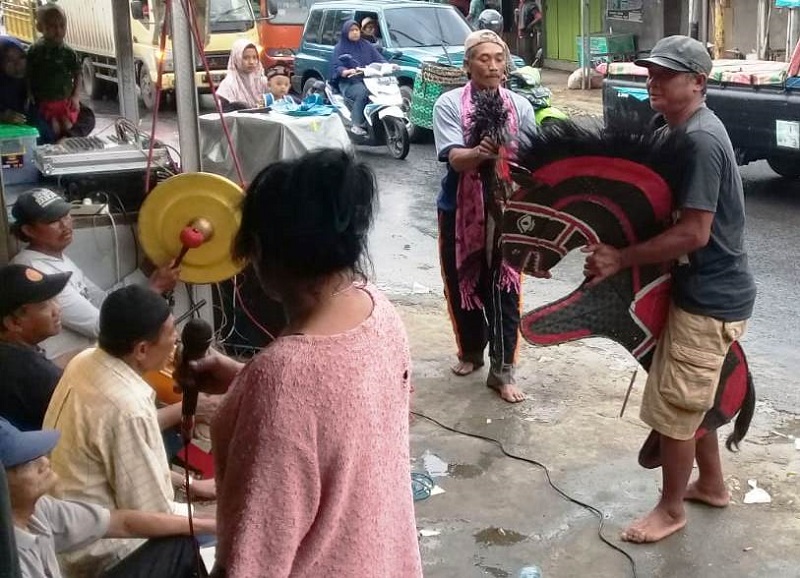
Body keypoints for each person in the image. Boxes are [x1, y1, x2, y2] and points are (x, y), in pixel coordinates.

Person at [178, 149, 422, 576]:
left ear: (259, 250)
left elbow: (255, 556)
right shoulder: (377, 311)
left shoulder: (282, 378)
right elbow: (339, 413)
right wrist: (241, 379)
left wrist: (255, 387)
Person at [582, 35, 757, 544]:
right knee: (692, 398)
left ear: (698, 83)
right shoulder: (671, 128)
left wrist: (621, 257)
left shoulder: (702, 140)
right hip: (700, 287)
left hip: (710, 298)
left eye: (667, 74)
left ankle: (671, 508)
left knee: (677, 409)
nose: (654, 81)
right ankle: (713, 485)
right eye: (652, 72)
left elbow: (694, 233)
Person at [42, 286, 216, 577]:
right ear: (142, 350)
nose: (176, 339)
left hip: (68, 536)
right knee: (221, 540)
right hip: (104, 555)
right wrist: (218, 519)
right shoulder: (127, 406)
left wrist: (189, 485)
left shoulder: (85, 360)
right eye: (171, 332)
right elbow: (154, 515)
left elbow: (122, 460)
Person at [432, 30, 536, 404]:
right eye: (483, 58)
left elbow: (531, 159)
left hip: (506, 209)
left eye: (498, 58)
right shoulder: (448, 104)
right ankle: (472, 352)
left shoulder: (520, 106)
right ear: (467, 65)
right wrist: (481, 152)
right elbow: (456, 159)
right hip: (459, 209)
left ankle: (503, 370)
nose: (492, 65)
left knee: (504, 287)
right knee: (462, 280)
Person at [0, 418, 216, 578]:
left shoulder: (38, 509)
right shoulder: (10, 560)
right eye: (24, 463)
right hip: (97, 563)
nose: (43, 462)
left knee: (181, 545)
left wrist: (208, 524)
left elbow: (121, 523)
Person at [11, 188, 179, 367]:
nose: (65, 225)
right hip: (66, 369)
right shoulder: (35, 270)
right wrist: (155, 289)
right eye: (53, 220)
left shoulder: (58, 258)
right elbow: (102, 327)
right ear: (29, 230)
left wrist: (145, 271)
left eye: (66, 215)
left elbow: (104, 302)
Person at [0, 265, 69, 431]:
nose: (57, 309)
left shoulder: (12, 355)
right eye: (44, 305)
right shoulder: (32, 373)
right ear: (14, 323)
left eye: (55, 299)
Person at [0, 36, 94, 144]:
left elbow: (87, 117)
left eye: (21, 57)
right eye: (9, 60)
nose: (17, 64)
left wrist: (68, 137)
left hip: (51, 149)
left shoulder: (40, 81)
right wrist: (3, 117)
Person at [25, 4, 82, 141]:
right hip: (44, 101)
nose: (58, 30)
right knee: (53, 129)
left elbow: (78, 74)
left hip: (64, 101)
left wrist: (76, 96)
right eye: (51, 26)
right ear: (40, 28)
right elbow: (27, 74)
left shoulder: (68, 53)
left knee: (68, 127)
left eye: (62, 26)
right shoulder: (35, 51)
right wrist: (28, 93)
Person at [330, 20, 386, 136]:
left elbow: (379, 58)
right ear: (346, 32)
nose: (355, 33)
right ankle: (356, 124)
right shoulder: (339, 48)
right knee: (362, 93)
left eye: (356, 30)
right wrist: (345, 71)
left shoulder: (366, 45)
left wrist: (388, 65)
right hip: (348, 82)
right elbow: (336, 66)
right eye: (351, 30)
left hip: (368, 80)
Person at [217, 38, 269, 111]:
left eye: (254, 57)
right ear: (236, 58)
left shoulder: (262, 81)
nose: (251, 62)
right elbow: (224, 113)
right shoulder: (228, 85)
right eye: (245, 58)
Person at [517, 0, 543, 66]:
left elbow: (539, 17)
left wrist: (530, 25)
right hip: (524, 31)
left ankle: (533, 66)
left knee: (529, 50)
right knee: (525, 51)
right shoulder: (523, 5)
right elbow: (520, 20)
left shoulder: (531, 5)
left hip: (530, 32)